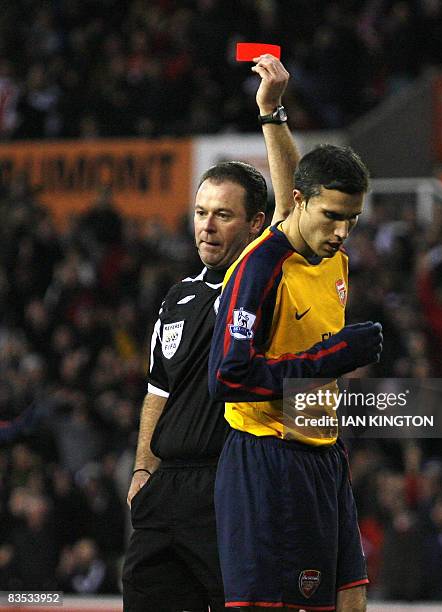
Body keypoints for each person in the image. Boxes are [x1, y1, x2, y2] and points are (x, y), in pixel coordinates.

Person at [122, 54, 300, 612]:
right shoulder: (178, 296)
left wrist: (272, 116)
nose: (206, 225)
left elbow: (292, 203)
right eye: (200, 212)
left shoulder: (261, 277)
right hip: (164, 490)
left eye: (223, 215)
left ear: (253, 225)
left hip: (231, 486)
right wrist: (142, 470)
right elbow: (157, 392)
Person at [209, 144, 383, 612]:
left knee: (351, 602)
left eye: (353, 219)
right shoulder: (257, 269)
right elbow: (227, 379)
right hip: (268, 458)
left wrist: (274, 112)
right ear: (300, 201)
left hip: (325, 454)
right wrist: (331, 357)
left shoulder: (334, 260)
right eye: (332, 216)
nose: (342, 231)